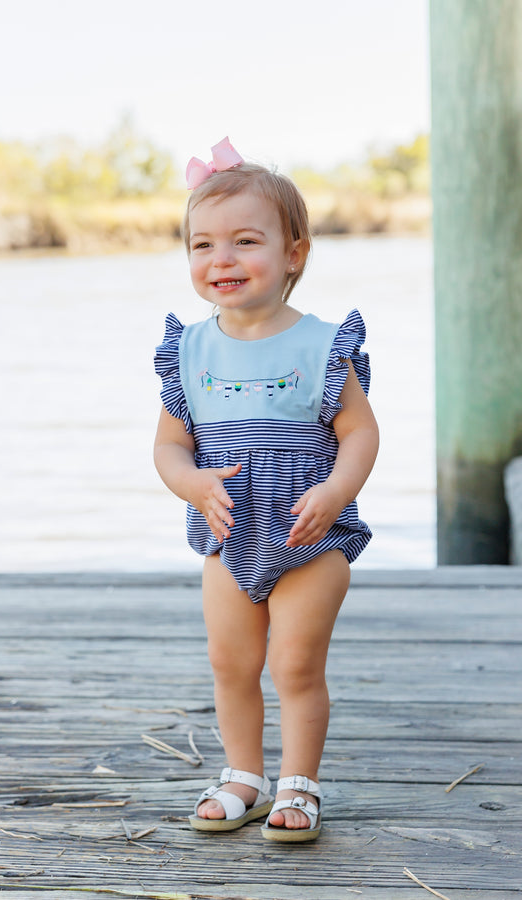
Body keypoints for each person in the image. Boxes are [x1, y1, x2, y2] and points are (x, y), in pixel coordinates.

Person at [153, 137, 379, 842]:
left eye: (245, 241)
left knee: (294, 664)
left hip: (307, 536)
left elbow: (361, 434)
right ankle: (243, 775)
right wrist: (190, 483)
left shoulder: (321, 346)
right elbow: (168, 445)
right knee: (231, 661)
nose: (221, 259)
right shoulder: (189, 351)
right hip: (227, 538)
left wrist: (337, 491)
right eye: (202, 245)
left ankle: (299, 785)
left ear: (293, 255)